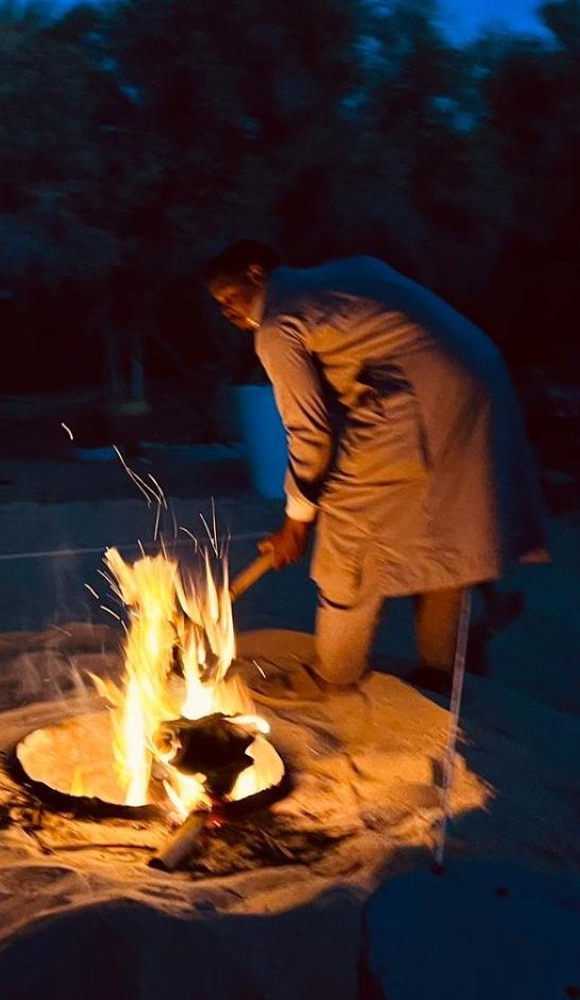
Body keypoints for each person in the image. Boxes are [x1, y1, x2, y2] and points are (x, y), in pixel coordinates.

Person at [207, 240, 548, 692]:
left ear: (255, 272)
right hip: (478, 379)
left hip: (416, 400)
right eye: (219, 306)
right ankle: (441, 668)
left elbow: (309, 431)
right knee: (443, 527)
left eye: (229, 297)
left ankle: (331, 674)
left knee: (350, 531)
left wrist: (296, 521)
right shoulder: (347, 270)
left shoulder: (276, 324)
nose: (227, 311)